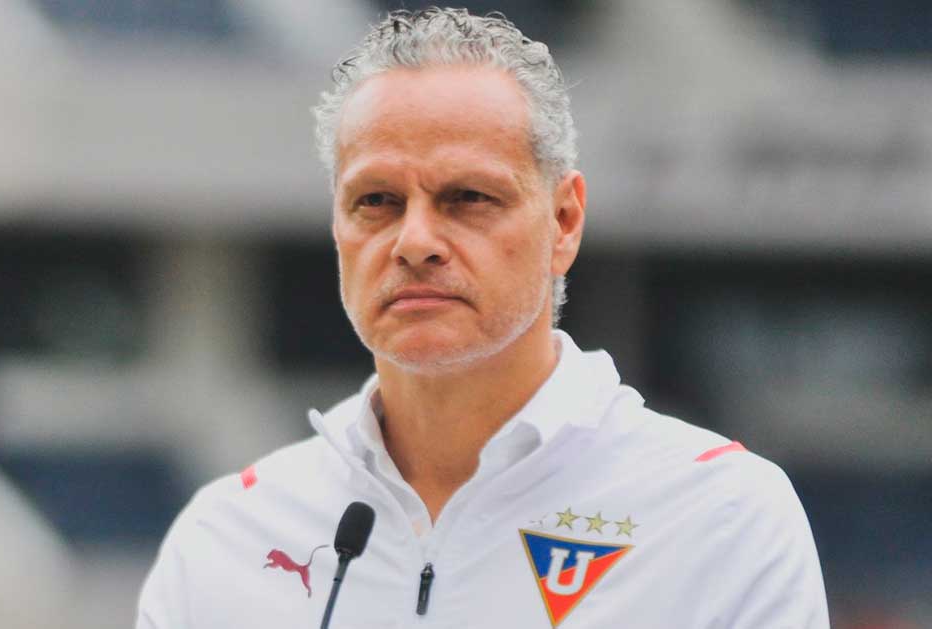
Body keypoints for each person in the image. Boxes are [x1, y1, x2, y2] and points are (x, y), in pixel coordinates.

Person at [136, 7, 829, 628]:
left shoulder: (720, 515)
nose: (414, 241)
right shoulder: (227, 537)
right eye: (376, 200)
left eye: (467, 197)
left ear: (564, 221)